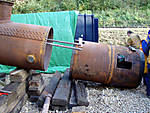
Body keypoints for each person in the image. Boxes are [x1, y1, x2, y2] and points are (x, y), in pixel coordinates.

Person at [126, 30, 150, 97]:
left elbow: (127, 44)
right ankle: (145, 84)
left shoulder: (130, 37)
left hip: (141, 53)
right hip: (142, 51)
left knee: (146, 73)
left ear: (128, 34)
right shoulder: (137, 35)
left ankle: (148, 92)